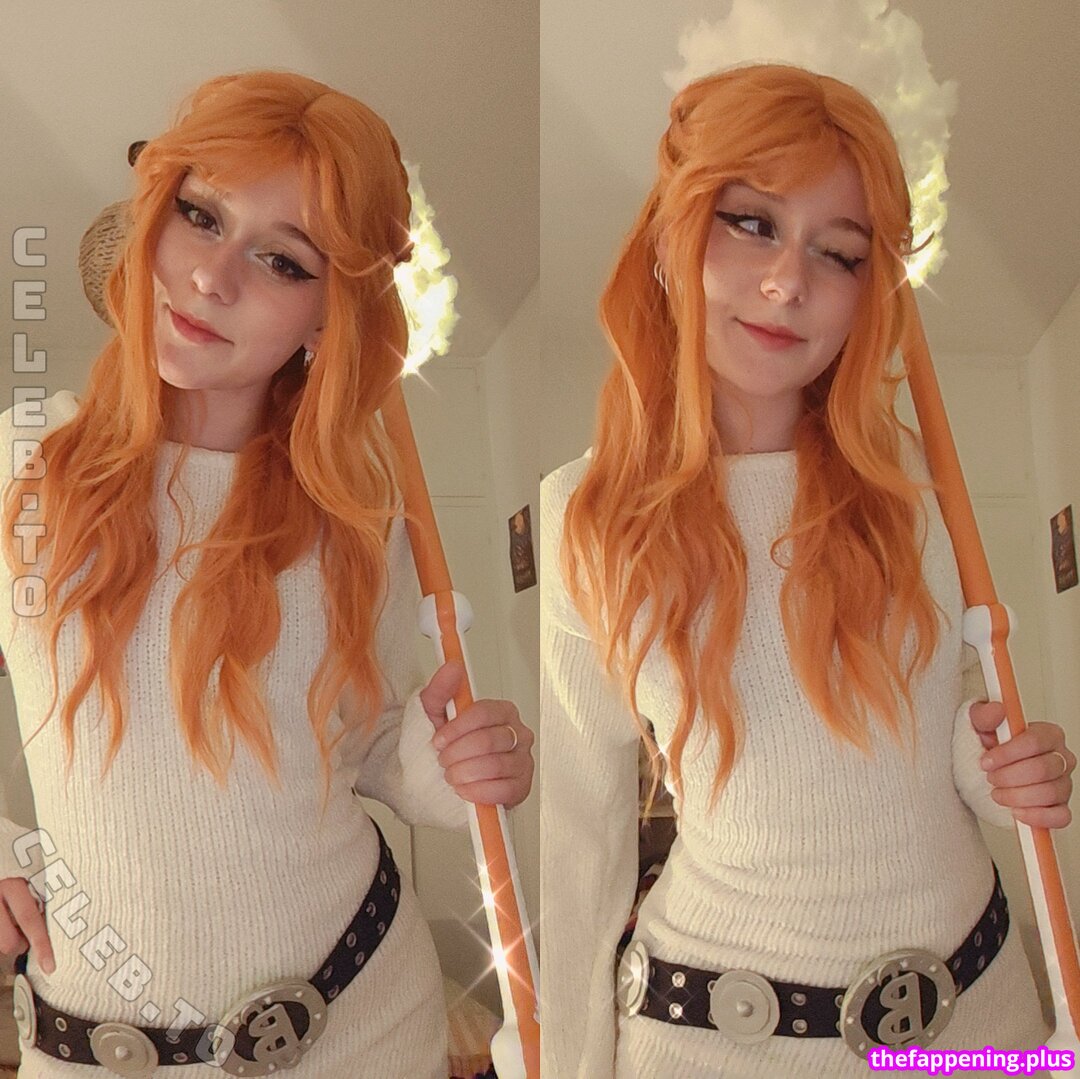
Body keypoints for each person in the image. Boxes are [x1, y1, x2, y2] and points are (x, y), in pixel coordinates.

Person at [539, 64, 1075, 1078]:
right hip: (716, 1040)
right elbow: (576, 842)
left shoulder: (915, 484)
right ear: (672, 233)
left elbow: (939, 715)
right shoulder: (584, 514)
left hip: (980, 1019)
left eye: (840, 252)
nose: (790, 283)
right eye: (752, 223)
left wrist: (998, 767)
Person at [0, 71, 533, 1078]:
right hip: (91, 1047)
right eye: (200, 216)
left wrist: (459, 761)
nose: (212, 277)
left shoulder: (357, 524)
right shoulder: (20, 464)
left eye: (282, 259)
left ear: (327, 315)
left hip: (359, 1027)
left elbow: (371, 747)